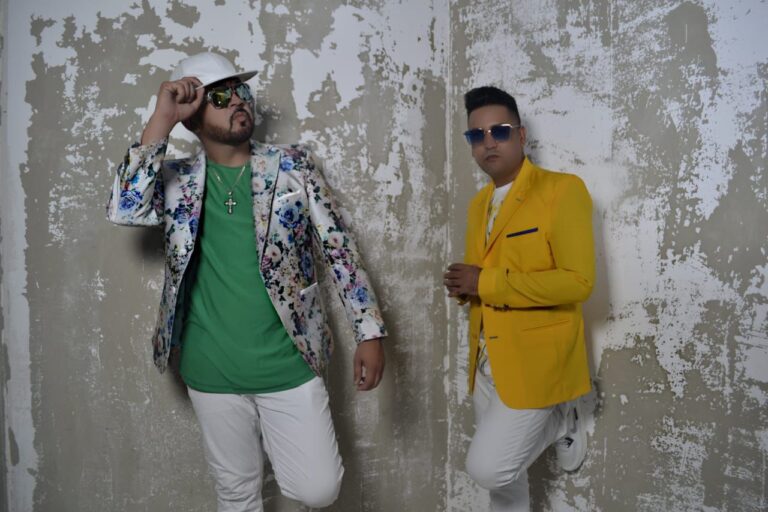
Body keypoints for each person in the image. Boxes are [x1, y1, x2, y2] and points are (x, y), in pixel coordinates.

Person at [107, 52, 387, 512]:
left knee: (318, 489)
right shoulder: (176, 180)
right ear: (192, 118)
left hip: (289, 360)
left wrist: (369, 331)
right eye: (220, 97)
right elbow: (126, 209)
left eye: (241, 90)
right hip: (209, 366)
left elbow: (340, 248)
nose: (237, 101)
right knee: (236, 494)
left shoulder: (294, 165)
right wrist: (161, 119)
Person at [443, 86, 595, 511]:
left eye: (500, 131)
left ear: (521, 135)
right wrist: (464, 288)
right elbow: (483, 277)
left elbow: (578, 282)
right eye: (477, 135)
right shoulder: (479, 204)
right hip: (485, 361)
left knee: (490, 468)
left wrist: (485, 282)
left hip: (537, 362)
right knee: (506, 486)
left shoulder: (562, 190)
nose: (488, 142)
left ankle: (563, 418)